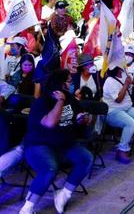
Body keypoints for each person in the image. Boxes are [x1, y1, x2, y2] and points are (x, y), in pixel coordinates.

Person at [19, 69, 93, 214]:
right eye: (69, 81)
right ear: (60, 84)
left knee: (86, 158)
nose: (71, 84)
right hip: (39, 145)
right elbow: (50, 123)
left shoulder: (70, 98)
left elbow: (81, 115)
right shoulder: (42, 102)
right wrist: (60, 101)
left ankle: (64, 194)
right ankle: (28, 207)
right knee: (49, 168)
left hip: (65, 144)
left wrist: (84, 118)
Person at [103, 66, 134, 164]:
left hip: (127, 108)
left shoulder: (124, 73)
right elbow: (118, 99)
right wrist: (125, 85)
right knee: (131, 123)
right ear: (117, 68)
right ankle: (121, 150)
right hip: (113, 111)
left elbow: (133, 80)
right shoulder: (109, 81)